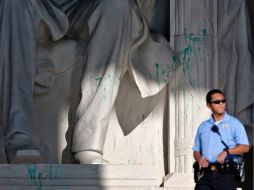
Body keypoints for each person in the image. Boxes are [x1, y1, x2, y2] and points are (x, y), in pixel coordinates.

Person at [0, 0, 174, 163]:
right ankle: (19, 134)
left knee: (116, 5)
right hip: (37, 4)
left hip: (85, 5)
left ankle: (89, 142)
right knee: (13, 2)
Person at [193, 89, 249, 190]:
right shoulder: (203, 126)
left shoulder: (235, 123)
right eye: (217, 102)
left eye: (223, 101)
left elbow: (245, 147)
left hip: (226, 174)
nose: (221, 104)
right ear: (209, 105)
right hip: (205, 174)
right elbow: (196, 150)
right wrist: (199, 159)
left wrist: (227, 152)